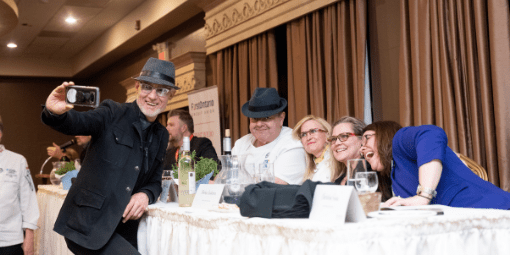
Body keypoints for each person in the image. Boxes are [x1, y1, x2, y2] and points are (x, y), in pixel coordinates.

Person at [41, 57, 177, 254]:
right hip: (86, 225)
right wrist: (55, 113)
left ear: (170, 95)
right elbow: (79, 122)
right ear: (137, 86)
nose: (153, 96)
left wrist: (145, 194)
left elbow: (155, 181)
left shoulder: (162, 135)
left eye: (162, 90)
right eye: (147, 86)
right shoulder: (113, 112)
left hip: (125, 229)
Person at [360, 121, 510, 208]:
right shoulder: (394, 177)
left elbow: (431, 133)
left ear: (385, 134)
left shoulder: (399, 141)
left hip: (495, 212)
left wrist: (424, 195)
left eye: (366, 138)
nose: (362, 148)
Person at [231, 87, 306, 185]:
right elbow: (227, 179)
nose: (259, 124)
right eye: (254, 119)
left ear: (281, 118)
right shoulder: (241, 144)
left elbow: (272, 189)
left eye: (266, 118)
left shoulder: (293, 144)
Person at [0, 115, 39, 255]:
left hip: (10, 241)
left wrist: (29, 236)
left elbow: (29, 201)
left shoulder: (18, 161)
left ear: (0, 134)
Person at [292, 115, 332, 182]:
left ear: (327, 134)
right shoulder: (309, 167)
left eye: (313, 131)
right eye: (304, 134)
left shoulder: (338, 160)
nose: (308, 138)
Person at [328, 116, 366, 184]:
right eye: (334, 139)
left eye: (344, 136)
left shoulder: (370, 172)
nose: (337, 143)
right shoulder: (339, 180)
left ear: (362, 140)